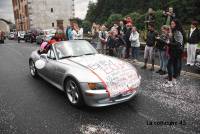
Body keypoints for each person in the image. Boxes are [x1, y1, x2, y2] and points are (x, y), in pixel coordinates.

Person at [163, 20, 183, 87]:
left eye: (173, 24)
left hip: (176, 51)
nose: (171, 25)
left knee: (169, 65)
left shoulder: (177, 32)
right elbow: (170, 40)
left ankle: (170, 82)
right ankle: (174, 80)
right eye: (171, 24)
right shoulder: (173, 32)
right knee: (174, 65)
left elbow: (178, 44)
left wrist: (168, 43)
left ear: (176, 24)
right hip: (173, 51)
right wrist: (168, 38)